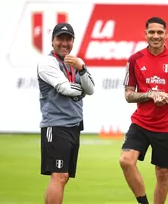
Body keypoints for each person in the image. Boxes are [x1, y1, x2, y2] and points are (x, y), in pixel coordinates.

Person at [119, 17, 168, 204]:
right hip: (141, 123)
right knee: (126, 161)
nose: (156, 36)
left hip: (166, 126)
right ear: (145, 34)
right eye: (151, 32)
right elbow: (128, 95)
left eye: (160, 32)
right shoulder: (135, 59)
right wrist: (150, 95)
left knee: (163, 174)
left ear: (166, 34)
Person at [37, 22, 95, 204]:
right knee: (59, 175)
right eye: (60, 38)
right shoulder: (47, 62)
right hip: (55, 125)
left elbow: (91, 89)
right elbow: (64, 88)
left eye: (68, 39)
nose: (64, 43)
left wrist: (82, 69)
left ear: (73, 41)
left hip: (73, 125)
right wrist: (82, 88)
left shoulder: (76, 63)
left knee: (63, 176)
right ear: (52, 41)